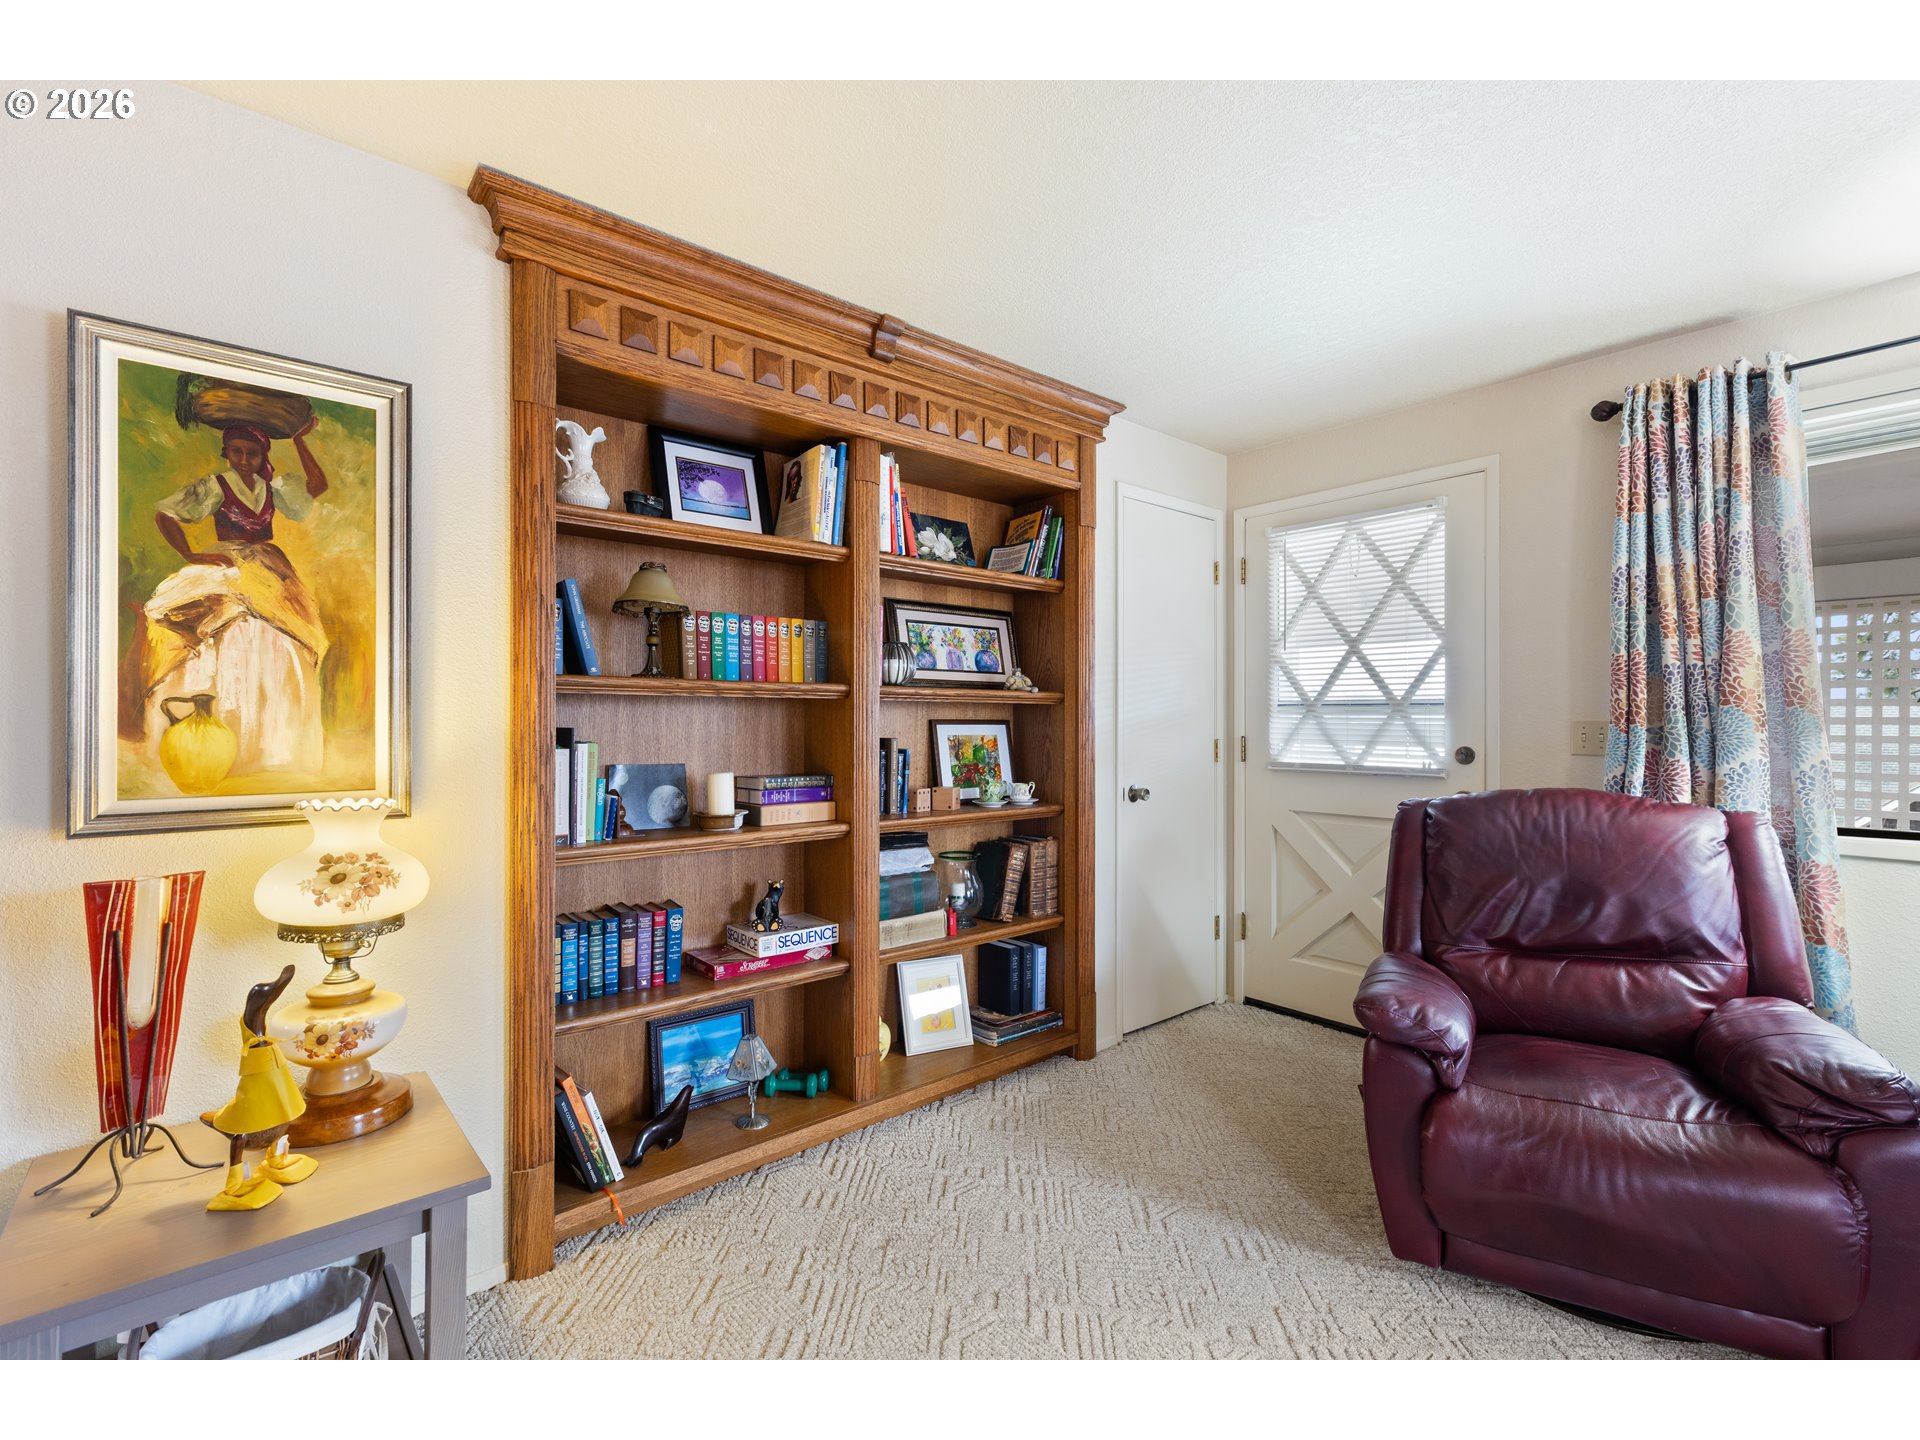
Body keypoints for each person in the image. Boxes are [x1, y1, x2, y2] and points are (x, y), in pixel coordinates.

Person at [125, 415, 332, 783]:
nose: (244, 459)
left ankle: (271, 746)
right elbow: (166, 514)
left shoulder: (275, 489)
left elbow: (317, 485)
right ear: (227, 454)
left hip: (269, 567)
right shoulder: (216, 486)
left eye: (252, 453)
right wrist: (191, 555)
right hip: (229, 561)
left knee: (282, 631)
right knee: (212, 621)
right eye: (237, 452)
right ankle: (204, 733)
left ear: (262, 454)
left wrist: (299, 439)